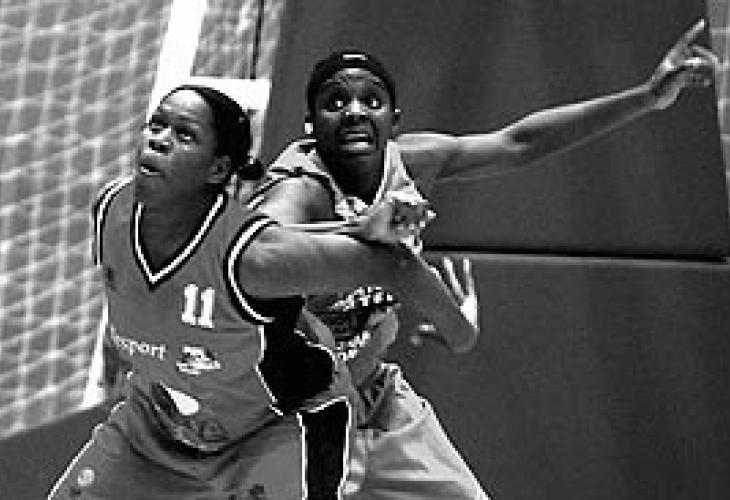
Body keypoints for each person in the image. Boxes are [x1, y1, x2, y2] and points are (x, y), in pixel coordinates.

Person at [247, 19, 718, 500]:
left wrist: (646, 98)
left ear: (394, 120)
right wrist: (361, 231)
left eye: (372, 101)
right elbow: (251, 249)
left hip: (375, 400)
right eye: (334, 102)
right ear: (311, 126)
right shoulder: (299, 188)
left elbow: (519, 143)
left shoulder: (411, 163)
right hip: (287, 412)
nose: (354, 112)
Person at [48, 84, 478, 500]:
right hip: (159, 425)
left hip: (274, 431)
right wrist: (113, 375)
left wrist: (461, 332)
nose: (159, 140)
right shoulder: (110, 210)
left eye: (184, 135)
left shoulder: (253, 259)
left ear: (217, 169)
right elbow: (131, 302)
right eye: (156, 125)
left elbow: (392, 265)